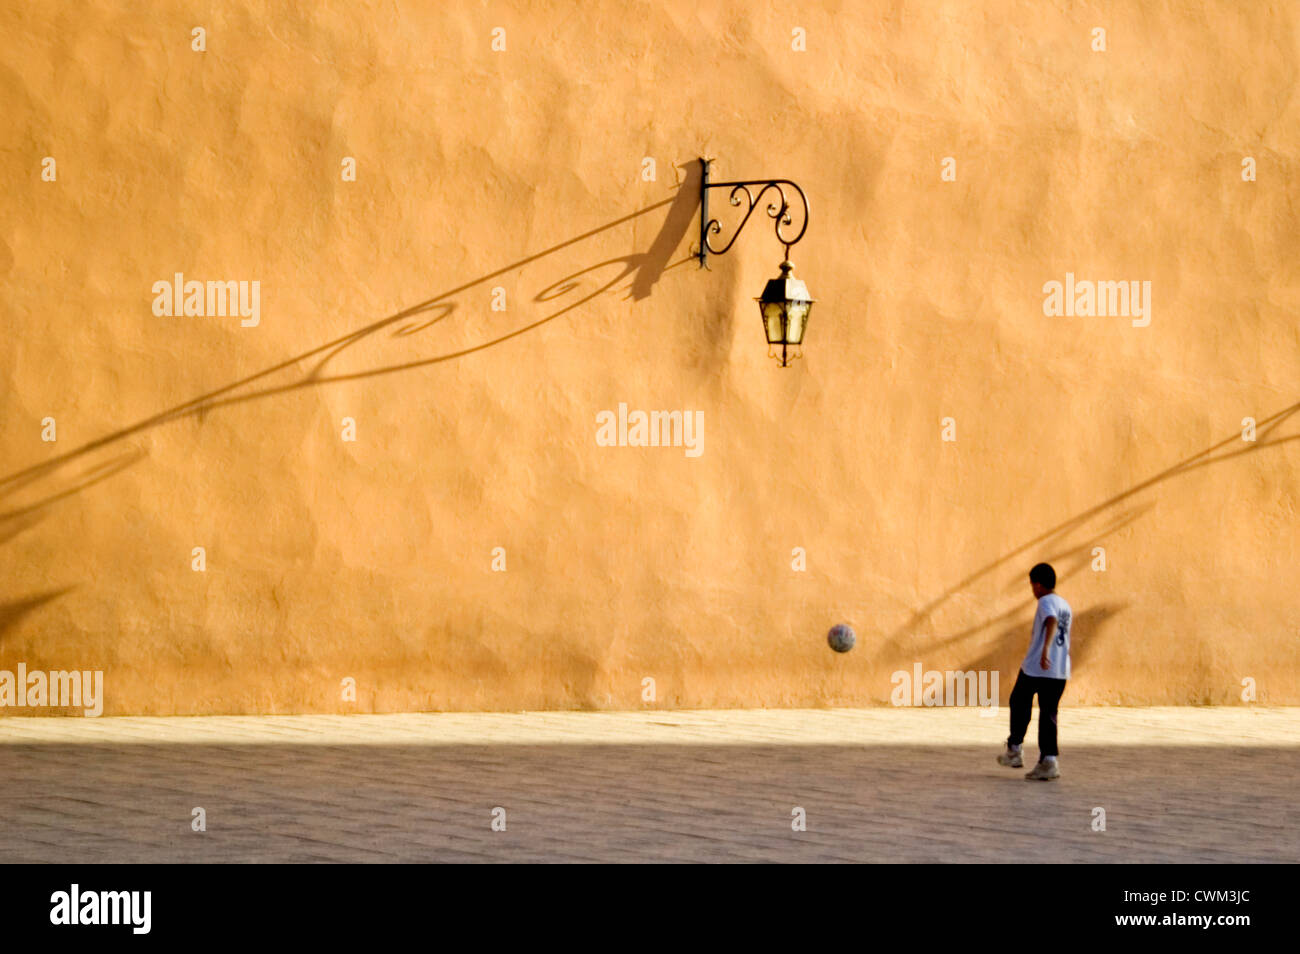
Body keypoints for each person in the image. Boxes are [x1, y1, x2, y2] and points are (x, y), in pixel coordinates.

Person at [997, 562, 1072, 780]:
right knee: (1048, 714)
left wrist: (1045, 649)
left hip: (1038, 667)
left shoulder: (1046, 602)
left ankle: (1015, 749)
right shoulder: (1064, 603)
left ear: (1038, 585)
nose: (1032, 590)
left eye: (1032, 585)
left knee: (1019, 702)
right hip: (1059, 670)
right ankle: (1049, 761)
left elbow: (1051, 621)